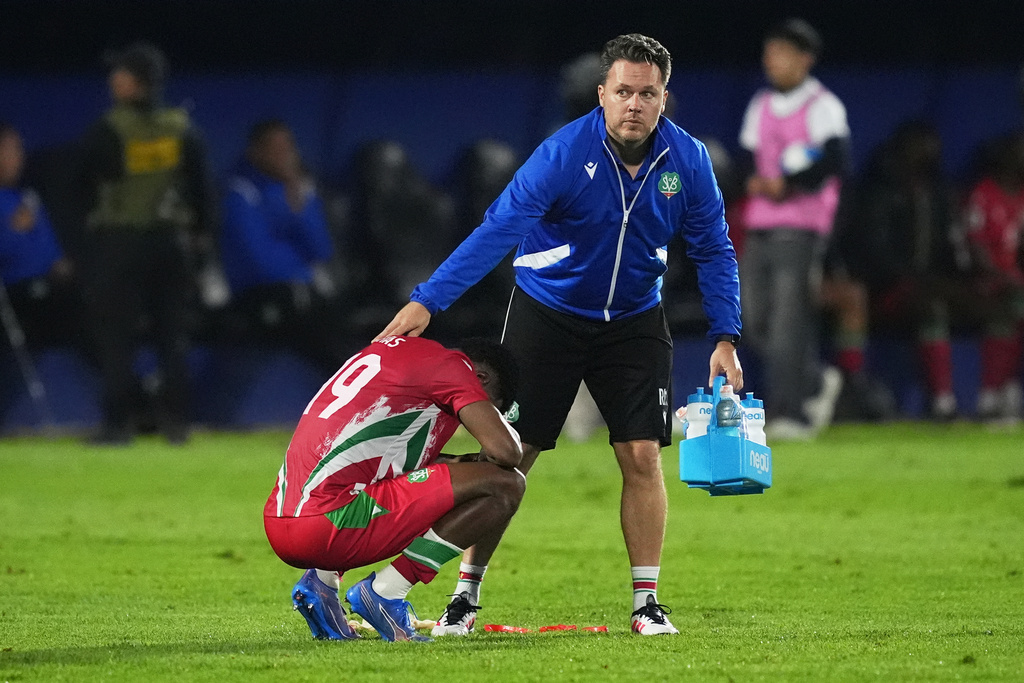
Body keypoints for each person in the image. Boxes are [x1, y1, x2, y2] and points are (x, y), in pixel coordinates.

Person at [377, 33, 743, 636]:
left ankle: (646, 605)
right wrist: (427, 301)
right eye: (622, 91)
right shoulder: (561, 155)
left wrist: (725, 334)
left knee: (642, 456)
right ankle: (464, 599)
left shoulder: (688, 161)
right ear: (602, 94)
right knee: (510, 459)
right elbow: (496, 231)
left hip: (633, 322)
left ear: (663, 100)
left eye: (646, 94)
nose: (633, 104)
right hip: (547, 316)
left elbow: (715, 249)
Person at [264, 335, 524, 643]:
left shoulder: (400, 356)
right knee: (507, 485)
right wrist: (500, 430)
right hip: (327, 525)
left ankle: (321, 583)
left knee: (362, 480)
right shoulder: (455, 369)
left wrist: (462, 464)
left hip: (281, 520)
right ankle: (385, 592)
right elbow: (507, 453)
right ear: (480, 378)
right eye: (488, 407)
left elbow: (387, 459)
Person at [75, 42, 215, 445]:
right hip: (172, 243)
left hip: (121, 243)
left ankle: (118, 426)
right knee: (172, 335)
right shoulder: (181, 128)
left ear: (135, 84)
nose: (112, 80)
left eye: (119, 73)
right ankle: (177, 424)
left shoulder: (110, 129)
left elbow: (80, 185)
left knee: (117, 335)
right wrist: (200, 238)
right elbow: (202, 191)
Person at [738, 18, 849, 440]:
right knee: (752, 316)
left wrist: (791, 185)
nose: (771, 62)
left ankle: (789, 413)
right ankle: (816, 381)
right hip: (761, 224)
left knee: (789, 321)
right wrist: (753, 180)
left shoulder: (822, 105)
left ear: (804, 59)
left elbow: (835, 159)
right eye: (769, 54)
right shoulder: (761, 104)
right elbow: (749, 157)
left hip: (801, 227)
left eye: (780, 53)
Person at [850, 121, 970, 420]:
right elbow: (872, 252)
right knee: (930, 307)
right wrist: (911, 280)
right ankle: (942, 402)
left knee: (1000, 304)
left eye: (932, 144)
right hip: (886, 290)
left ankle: (996, 398)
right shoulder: (879, 190)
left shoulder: (938, 192)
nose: (928, 151)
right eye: (921, 143)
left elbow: (952, 248)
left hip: (930, 285)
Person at [219, 119, 352, 372]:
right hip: (259, 296)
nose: (285, 156)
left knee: (347, 330)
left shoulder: (298, 190)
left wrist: (298, 207)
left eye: (288, 148)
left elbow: (321, 250)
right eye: (275, 149)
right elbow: (258, 262)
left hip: (302, 294)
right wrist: (298, 265)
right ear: (256, 152)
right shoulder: (241, 193)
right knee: (322, 337)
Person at [963, 131, 1024, 423]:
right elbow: (974, 246)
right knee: (1013, 305)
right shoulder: (983, 193)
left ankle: (1008, 388)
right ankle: (992, 394)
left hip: (1015, 279)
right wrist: (1001, 275)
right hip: (984, 281)